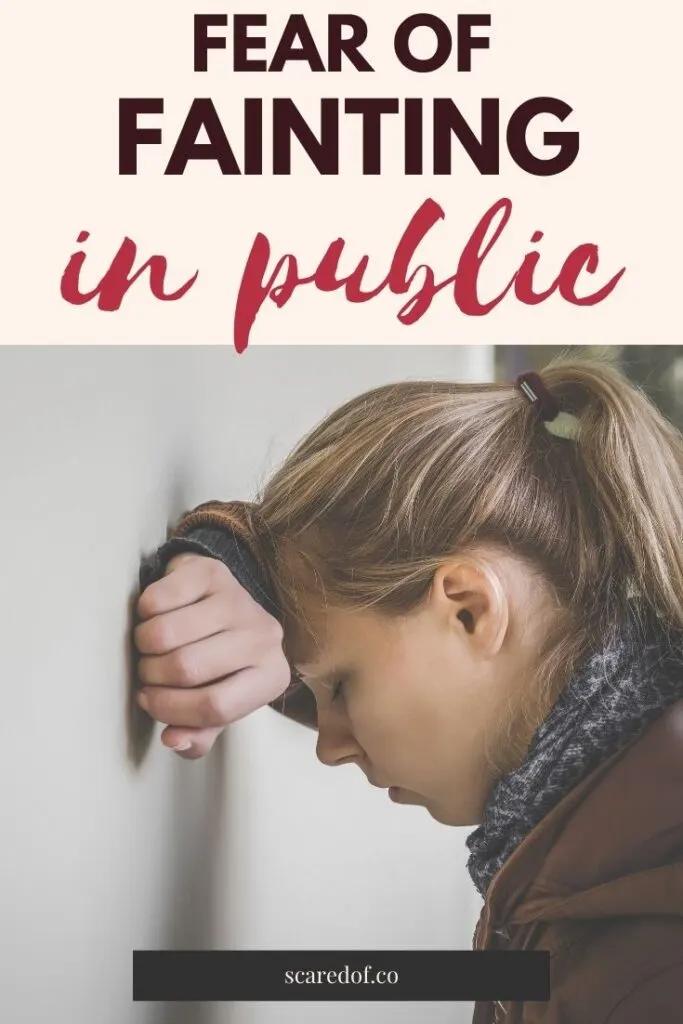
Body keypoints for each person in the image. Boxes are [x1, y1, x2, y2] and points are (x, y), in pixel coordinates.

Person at [133, 354, 683, 1023]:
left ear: (467, 611)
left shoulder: (640, 955)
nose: (328, 746)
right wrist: (235, 563)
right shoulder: (607, 838)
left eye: (338, 686)